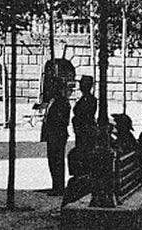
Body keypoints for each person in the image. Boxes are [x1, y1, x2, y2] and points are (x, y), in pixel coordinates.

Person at [63, 76, 98, 204]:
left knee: (81, 154)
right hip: (83, 133)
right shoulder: (88, 99)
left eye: (83, 84)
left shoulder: (88, 100)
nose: (82, 86)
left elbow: (84, 116)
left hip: (85, 134)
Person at [39, 79, 70, 196]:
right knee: (53, 161)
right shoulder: (54, 100)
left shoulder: (61, 101)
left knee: (57, 161)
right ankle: (55, 185)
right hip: (53, 135)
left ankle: (58, 187)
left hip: (57, 135)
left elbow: (61, 120)